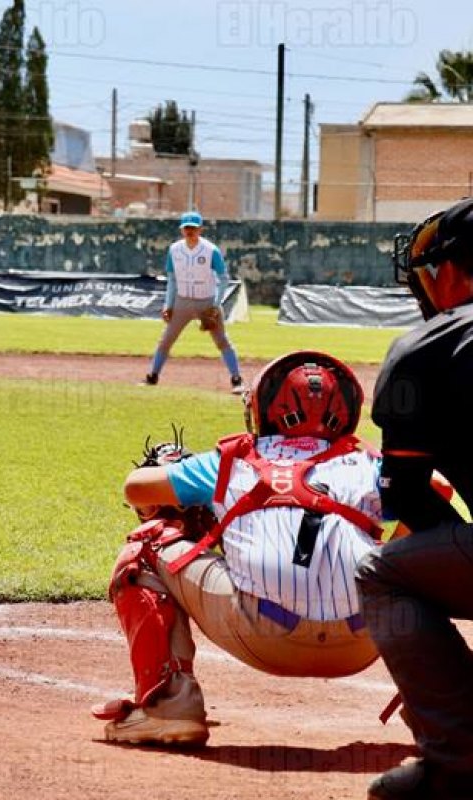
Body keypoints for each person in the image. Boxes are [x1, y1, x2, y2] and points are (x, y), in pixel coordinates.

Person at [94, 350, 386, 747]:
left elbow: (136, 488)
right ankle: (436, 708)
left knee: (147, 545)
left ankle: (168, 707)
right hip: (362, 642)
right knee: (413, 555)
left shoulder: (231, 460)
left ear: (262, 408)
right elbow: (437, 487)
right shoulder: (366, 464)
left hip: (265, 637)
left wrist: (198, 493)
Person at [356, 197, 473, 799]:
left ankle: (458, 762)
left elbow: (406, 500)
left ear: (451, 272)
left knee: (383, 575)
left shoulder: (424, 348)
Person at [143, 211, 244, 393]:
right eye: (186, 227)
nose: (190, 230)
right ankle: (152, 376)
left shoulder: (210, 250)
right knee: (166, 340)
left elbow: (223, 278)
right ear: (182, 230)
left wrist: (216, 304)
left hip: (206, 301)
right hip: (182, 302)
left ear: (200, 229)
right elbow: (172, 279)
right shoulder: (174, 250)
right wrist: (168, 305)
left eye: (193, 227)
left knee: (222, 341)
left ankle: (237, 380)